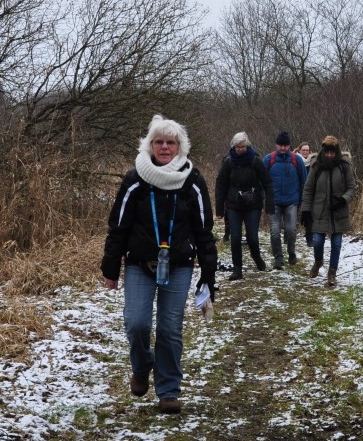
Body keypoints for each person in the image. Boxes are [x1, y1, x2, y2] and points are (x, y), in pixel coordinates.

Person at [102, 115, 217, 415]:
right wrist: (110, 269)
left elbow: (204, 231)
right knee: (137, 324)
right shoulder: (135, 179)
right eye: (159, 142)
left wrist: (208, 275)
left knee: (169, 328)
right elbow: (118, 226)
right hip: (139, 263)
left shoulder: (193, 181)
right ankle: (142, 367)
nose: (165, 147)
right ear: (150, 145)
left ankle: (168, 390)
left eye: (171, 142)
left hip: (178, 264)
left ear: (180, 147)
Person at [215, 131, 274, 281]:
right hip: (234, 204)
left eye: (243, 147)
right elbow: (220, 185)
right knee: (235, 238)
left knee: (252, 237)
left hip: (253, 204)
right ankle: (237, 269)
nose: (240, 149)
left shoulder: (256, 161)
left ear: (247, 146)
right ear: (233, 147)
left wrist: (269, 205)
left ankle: (256, 256)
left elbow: (267, 183)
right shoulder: (228, 162)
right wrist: (219, 209)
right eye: (237, 147)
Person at [300, 135, 355, 287]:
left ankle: (332, 273)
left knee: (336, 244)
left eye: (332, 152)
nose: (329, 155)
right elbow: (308, 189)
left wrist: (343, 200)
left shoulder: (344, 166)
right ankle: (318, 262)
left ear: (336, 152)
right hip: (319, 211)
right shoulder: (316, 166)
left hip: (339, 211)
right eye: (327, 152)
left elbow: (351, 188)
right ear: (323, 151)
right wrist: (305, 210)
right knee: (317, 241)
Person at [263, 130, 307, 269]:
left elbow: (304, 181)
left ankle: (291, 252)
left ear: (289, 145)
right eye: (280, 145)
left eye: (285, 145)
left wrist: (302, 200)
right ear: (276, 145)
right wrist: (264, 199)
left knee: (291, 230)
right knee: (275, 232)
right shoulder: (268, 160)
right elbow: (261, 181)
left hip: (291, 202)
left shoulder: (297, 160)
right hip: (273, 202)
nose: (282, 148)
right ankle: (278, 258)